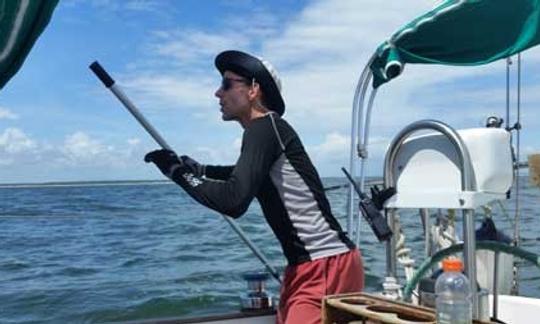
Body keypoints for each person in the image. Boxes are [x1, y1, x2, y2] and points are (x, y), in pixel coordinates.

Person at [144, 50, 364, 324]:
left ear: (253, 90)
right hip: (311, 266)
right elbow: (244, 174)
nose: (217, 93)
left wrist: (177, 173)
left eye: (226, 84)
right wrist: (198, 170)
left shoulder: (263, 129)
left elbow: (233, 200)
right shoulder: (268, 130)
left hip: (324, 264)